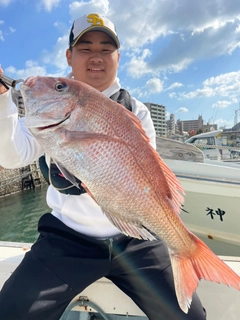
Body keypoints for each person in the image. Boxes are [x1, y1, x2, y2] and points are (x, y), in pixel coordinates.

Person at [0, 13, 206, 320]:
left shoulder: (136, 110)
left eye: (105, 49)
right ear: (69, 55)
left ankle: (187, 250)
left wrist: (168, 229)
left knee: (190, 317)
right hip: (68, 239)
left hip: (135, 241)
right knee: (11, 311)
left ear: (118, 57)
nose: (96, 57)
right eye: (86, 48)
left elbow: (147, 177)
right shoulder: (47, 113)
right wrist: (3, 99)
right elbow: (12, 157)